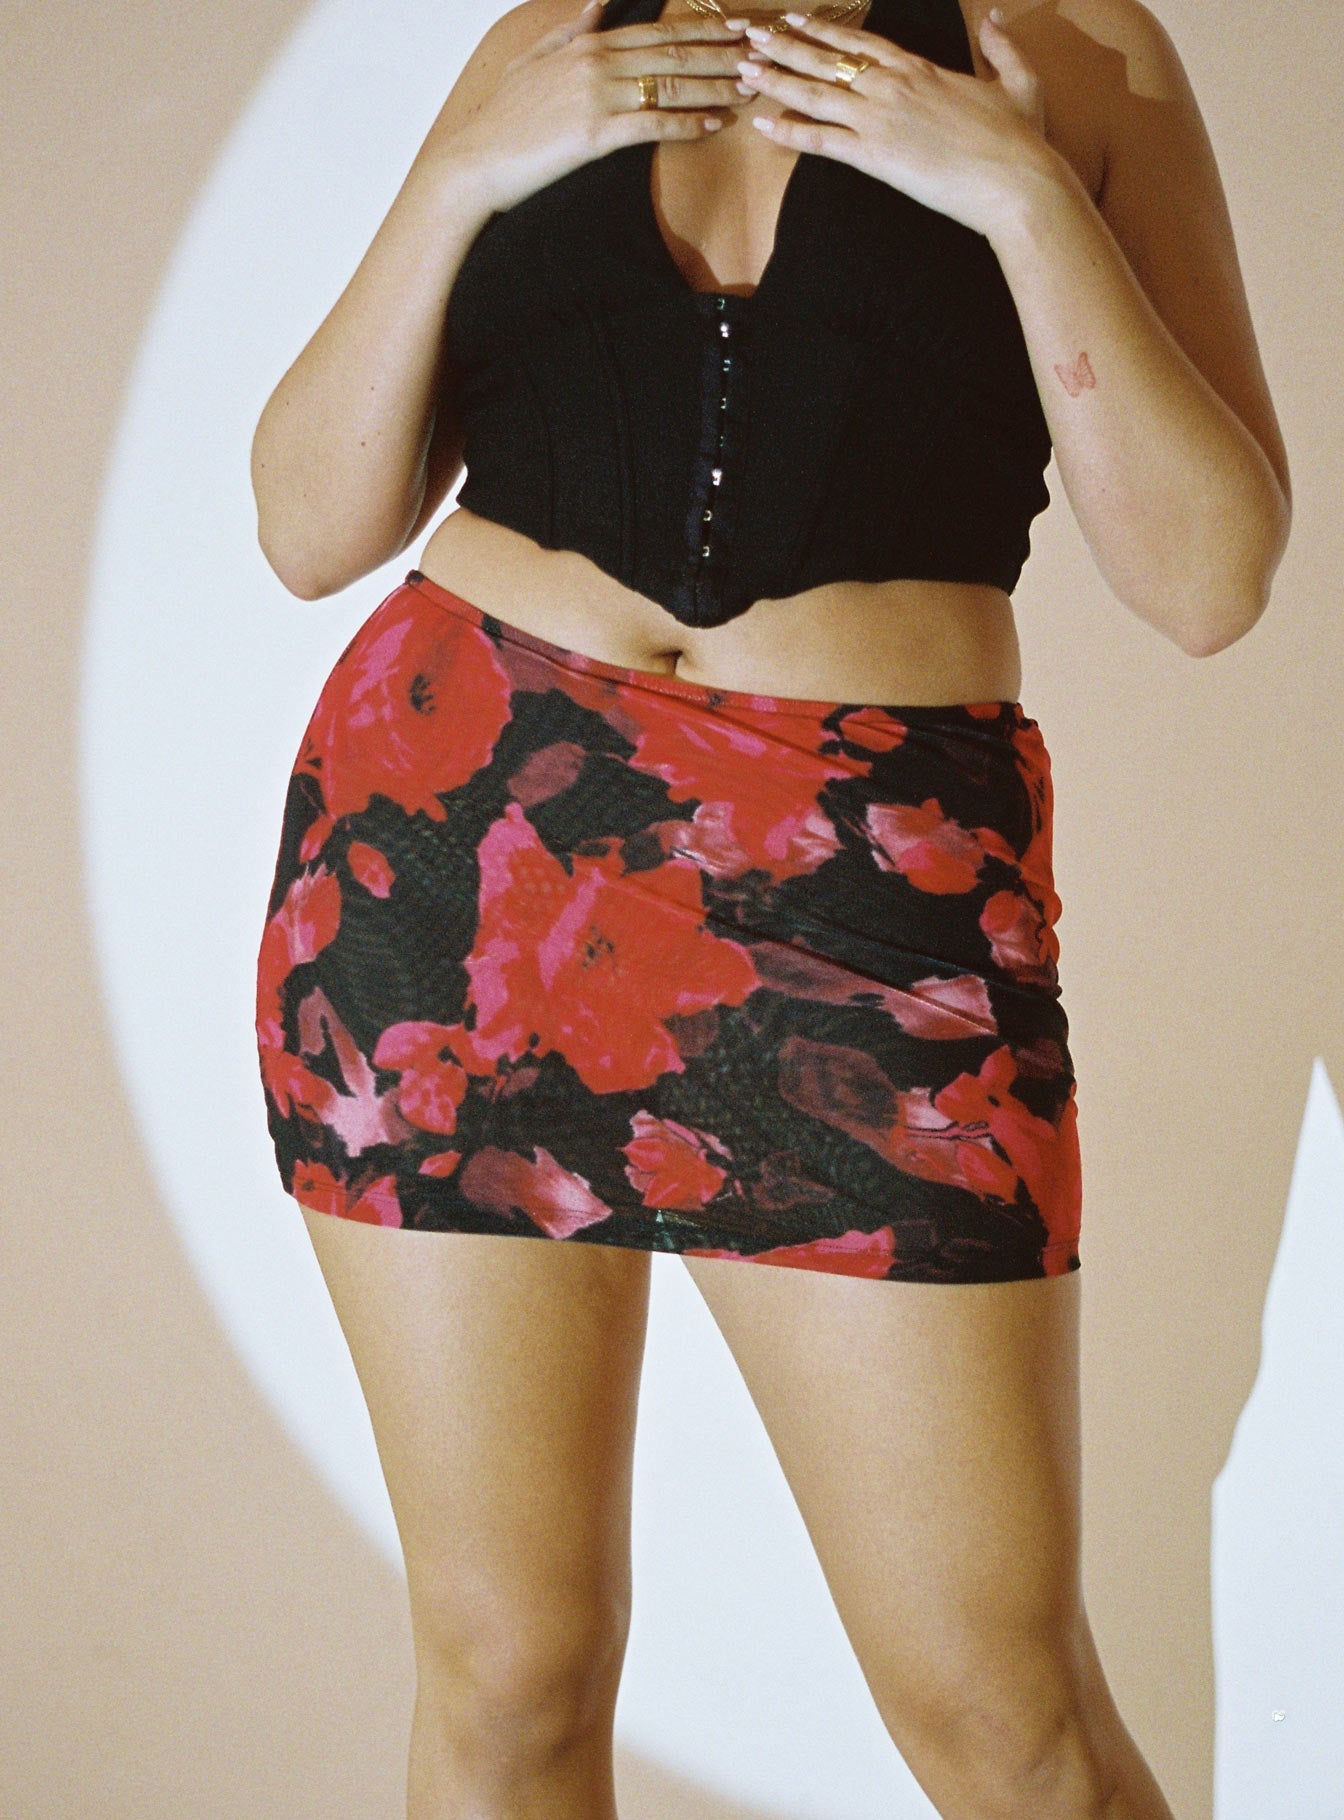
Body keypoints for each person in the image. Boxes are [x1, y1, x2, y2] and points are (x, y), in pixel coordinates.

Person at [249, 0, 1290, 1809]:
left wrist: (1023, 193)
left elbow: (1207, 577)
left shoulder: (1070, 50)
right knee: (509, 1672)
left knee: (1006, 1719)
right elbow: (307, 528)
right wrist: (461, 175)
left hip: (865, 895)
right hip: (456, 859)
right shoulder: (551, 40)